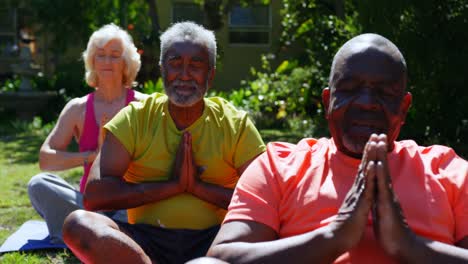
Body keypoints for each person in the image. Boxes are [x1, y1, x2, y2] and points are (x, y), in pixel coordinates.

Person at [206, 33, 468, 263]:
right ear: (327, 101)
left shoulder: (448, 171)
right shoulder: (278, 167)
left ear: (404, 107)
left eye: (385, 93)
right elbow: (222, 257)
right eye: (350, 89)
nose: (367, 103)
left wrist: (406, 244)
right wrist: (334, 236)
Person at [62, 21, 266, 263]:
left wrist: (197, 188)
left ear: (210, 74)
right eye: (175, 64)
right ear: (162, 70)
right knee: (78, 224)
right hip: (144, 242)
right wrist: (172, 186)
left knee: (266, 233)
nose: (184, 74)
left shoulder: (235, 124)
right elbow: (95, 196)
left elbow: (265, 200)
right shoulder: (136, 117)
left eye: (196, 66)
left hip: (216, 241)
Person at [27, 23, 147, 244]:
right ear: (92, 61)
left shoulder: (144, 105)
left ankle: (89, 233)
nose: (107, 62)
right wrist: (94, 156)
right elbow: (46, 159)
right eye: (100, 55)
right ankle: (101, 231)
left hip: (128, 204)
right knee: (38, 183)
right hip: (89, 204)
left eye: (114, 55)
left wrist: (117, 155)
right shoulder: (78, 108)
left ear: (126, 63)